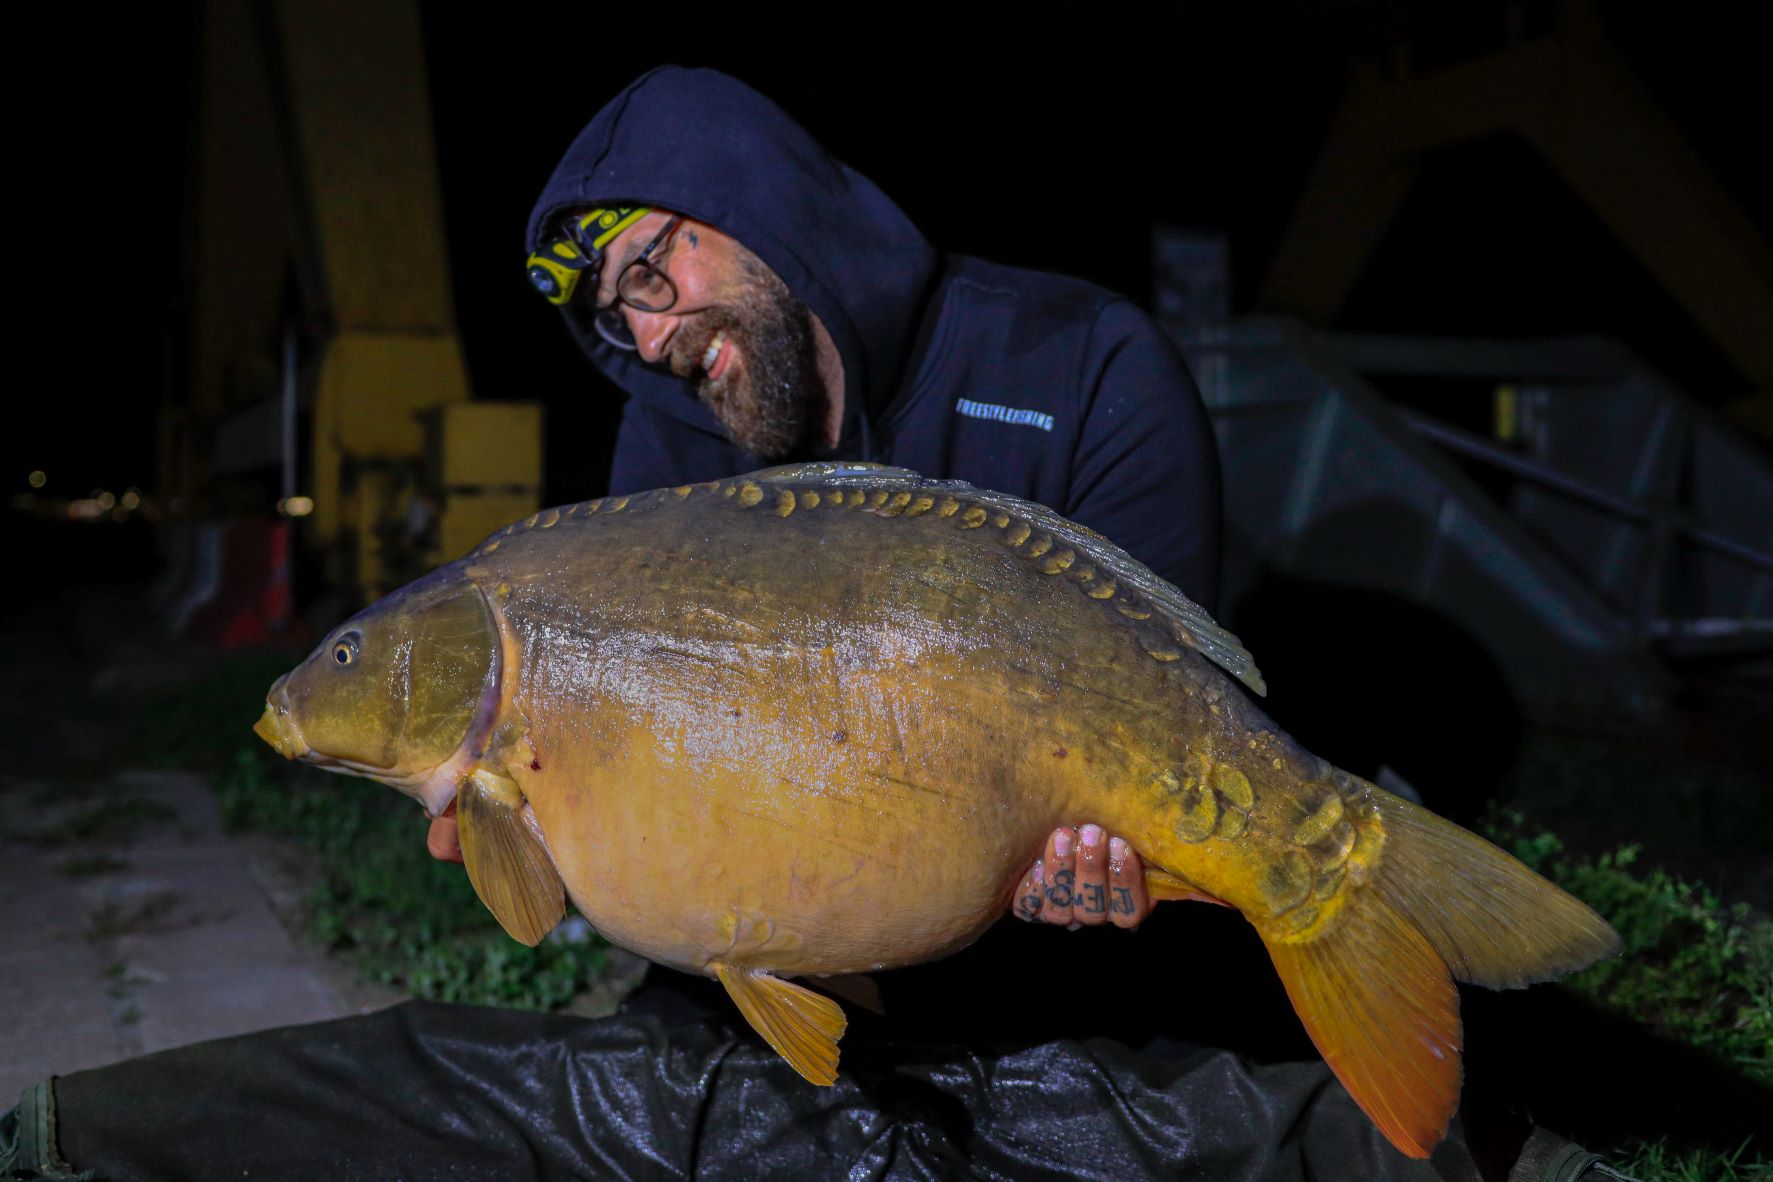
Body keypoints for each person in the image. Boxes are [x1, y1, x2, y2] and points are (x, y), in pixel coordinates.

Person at [429, 64, 1226, 929]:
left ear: (751, 206)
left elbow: (1181, 706)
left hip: (1076, 963)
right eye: (617, 314)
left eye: (646, 274)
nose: (650, 342)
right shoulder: (668, 450)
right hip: (786, 935)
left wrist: (1111, 847)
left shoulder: (1086, 364)